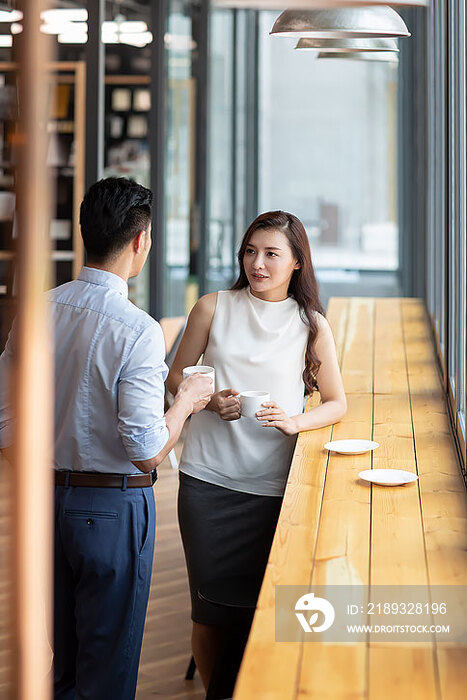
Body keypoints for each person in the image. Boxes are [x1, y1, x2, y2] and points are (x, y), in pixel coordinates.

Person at [0, 177, 213, 699]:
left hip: (42, 503)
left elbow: (3, 419)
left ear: (84, 234)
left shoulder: (36, 308)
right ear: (140, 241)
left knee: (65, 662)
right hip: (111, 512)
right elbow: (145, 454)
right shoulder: (137, 329)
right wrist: (186, 400)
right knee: (109, 672)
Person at [167, 210, 347, 690]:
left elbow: (336, 402)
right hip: (207, 482)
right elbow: (174, 380)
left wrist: (294, 422)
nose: (258, 264)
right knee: (208, 613)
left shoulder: (312, 324)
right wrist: (208, 402)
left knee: (265, 608)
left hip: (273, 487)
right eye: (251, 251)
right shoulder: (212, 307)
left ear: (296, 263)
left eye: (271, 254)